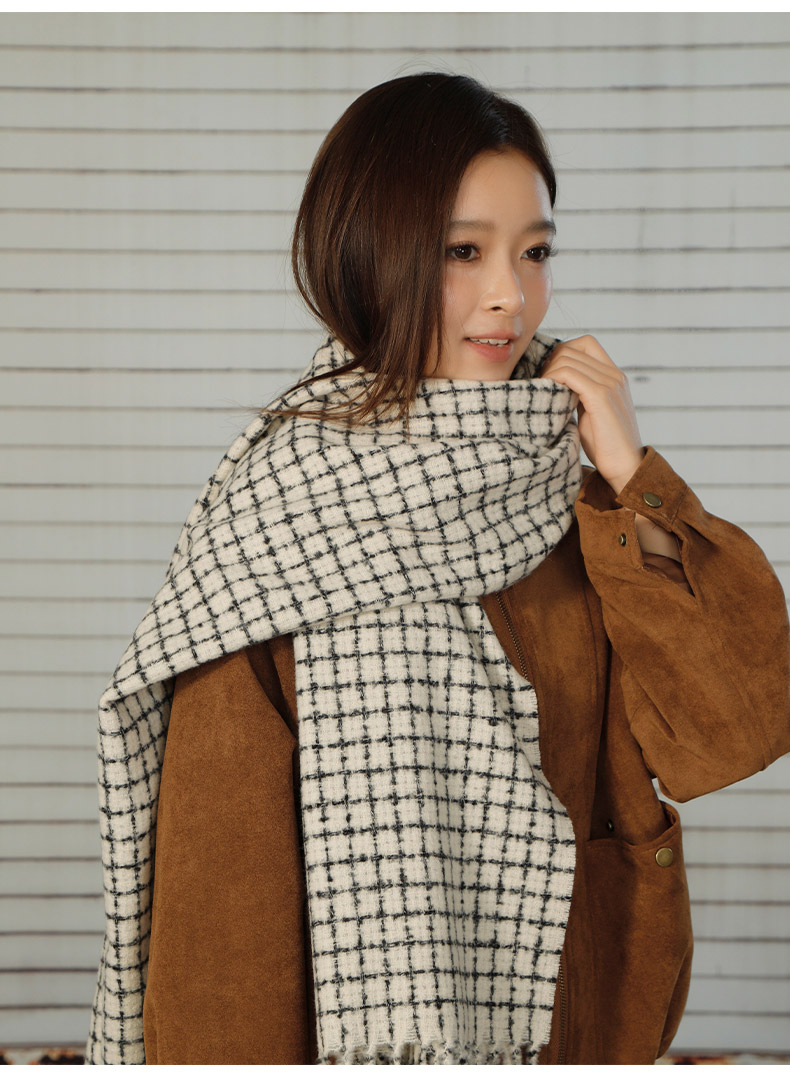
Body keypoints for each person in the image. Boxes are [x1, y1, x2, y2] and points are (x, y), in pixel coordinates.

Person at [84, 73, 790, 1066]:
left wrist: (635, 477)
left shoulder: (574, 491)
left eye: (534, 251)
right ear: (370, 254)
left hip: (578, 1021)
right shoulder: (283, 512)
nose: (511, 295)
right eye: (463, 252)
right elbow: (222, 901)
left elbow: (737, 729)